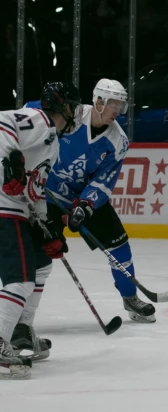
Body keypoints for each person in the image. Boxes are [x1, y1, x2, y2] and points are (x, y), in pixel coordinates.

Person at [37, 79, 156, 324]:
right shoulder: (70, 114)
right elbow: (32, 114)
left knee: (119, 244)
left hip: (82, 198)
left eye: (121, 105)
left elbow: (104, 180)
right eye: (113, 104)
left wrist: (85, 204)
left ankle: (130, 297)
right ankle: (20, 314)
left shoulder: (118, 141)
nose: (117, 111)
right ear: (99, 101)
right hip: (47, 194)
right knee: (42, 250)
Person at [0, 82, 81, 379]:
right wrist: (10, 163)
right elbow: (1, 122)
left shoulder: (53, 142)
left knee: (42, 264)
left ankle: (22, 330)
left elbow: (35, 189)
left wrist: (46, 226)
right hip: (3, 209)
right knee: (20, 280)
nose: (76, 113)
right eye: (74, 106)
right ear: (63, 106)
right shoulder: (39, 119)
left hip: (18, 211)